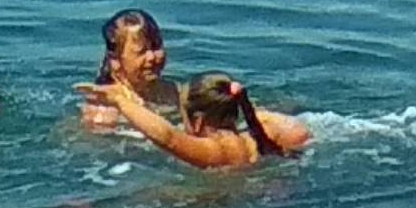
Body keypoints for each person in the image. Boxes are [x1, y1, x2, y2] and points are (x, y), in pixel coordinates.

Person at [81, 7, 308, 155]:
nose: (153, 57)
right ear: (115, 60)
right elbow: (97, 158)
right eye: (141, 51)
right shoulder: (104, 112)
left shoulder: (174, 91)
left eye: (157, 46)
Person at [95, 68, 294, 169]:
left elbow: (167, 136)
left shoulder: (215, 151)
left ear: (197, 121)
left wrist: (119, 101)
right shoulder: (256, 140)